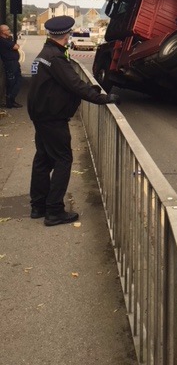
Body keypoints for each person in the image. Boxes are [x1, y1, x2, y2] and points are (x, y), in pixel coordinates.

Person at [28, 16, 120, 226]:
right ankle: (54, 211)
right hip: (52, 118)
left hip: (41, 116)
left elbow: (63, 85)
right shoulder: (56, 58)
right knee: (63, 160)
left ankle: (38, 206)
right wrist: (103, 98)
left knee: (43, 160)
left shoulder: (44, 54)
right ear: (66, 35)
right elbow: (75, 85)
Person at [0, 24, 22, 108]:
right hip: (10, 64)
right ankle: (10, 101)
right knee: (12, 83)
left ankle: (12, 101)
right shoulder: (2, 40)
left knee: (17, 81)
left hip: (14, 63)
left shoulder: (7, 39)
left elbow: (16, 46)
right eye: (8, 30)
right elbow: (16, 47)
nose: (9, 31)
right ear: (3, 32)